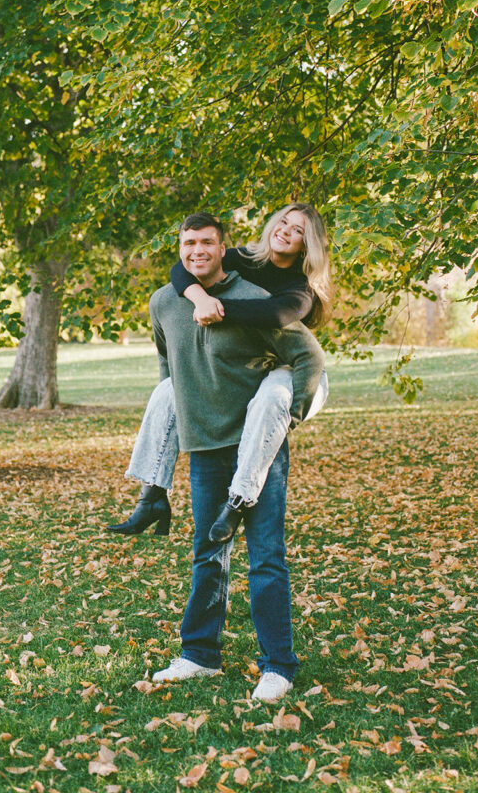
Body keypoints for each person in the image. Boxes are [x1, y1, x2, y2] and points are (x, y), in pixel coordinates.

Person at [143, 212, 324, 701]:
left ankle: (278, 666)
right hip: (206, 444)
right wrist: (200, 295)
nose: (198, 251)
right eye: (189, 243)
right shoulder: (175, 294)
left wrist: (291, 416)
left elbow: (301, 346)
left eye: (208, 244)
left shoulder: (289, 292)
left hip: (259, 438)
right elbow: (171, 351)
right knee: (208, 553)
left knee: (266, 557)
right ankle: (199, 655)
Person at [108, 203, 333, 543]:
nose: (286, 230)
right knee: (168, 390)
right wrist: (199, 298)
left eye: (298, 230)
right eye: (284, 222)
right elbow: (182, 270)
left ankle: (240, 498)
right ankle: (152, 495)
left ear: (308, 244)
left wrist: (219, 309)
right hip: (263, 364)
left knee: (273, 397)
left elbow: (276, 315)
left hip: (297, 372)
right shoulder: (241, 258)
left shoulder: (301, 287)